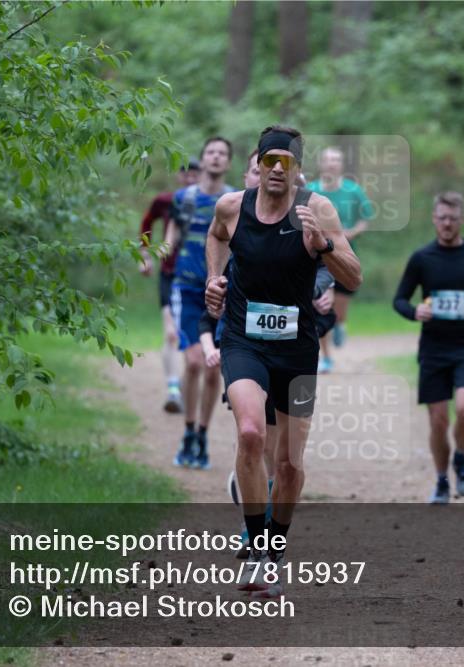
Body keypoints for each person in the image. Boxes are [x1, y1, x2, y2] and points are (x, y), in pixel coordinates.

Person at [205, 125, 361, 594]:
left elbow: (353, 276)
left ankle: (274, 549)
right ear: (258, 163)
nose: (276, 169)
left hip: (296, 347)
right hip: (242, 340)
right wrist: (214, 279)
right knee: (251, 433)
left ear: (297, 168)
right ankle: (254, 552)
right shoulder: (232, 206)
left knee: (290, 463)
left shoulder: (317, 209)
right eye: (268, 160)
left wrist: (323, 247)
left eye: (286, 162)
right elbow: (216, 236)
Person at [393, 191, 464, 505]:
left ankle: (460, 456)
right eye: (442, 218)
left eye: (452, 219)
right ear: (434, 219)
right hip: (433, 348)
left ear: (462, 221)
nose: (447, 224)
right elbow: (399, 300)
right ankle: (443, 480)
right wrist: (414, 311)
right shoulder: (421, 258)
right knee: (438, 420)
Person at [169, 138, 235, 469]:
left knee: (213, 370)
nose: (216, 157)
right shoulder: (183, 199)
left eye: (222, 153)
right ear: (203, 159)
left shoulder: (236, 201)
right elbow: (170, 242)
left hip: (223, 292)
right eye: (211, 152)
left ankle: (203, 435)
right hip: (187, 290)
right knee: (194, 362)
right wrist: (149, 259)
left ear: (228, 162)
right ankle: (188, 431)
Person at [139, 161, 200, 413]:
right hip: (170, 274)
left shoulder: (212, 202)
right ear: (178, 176)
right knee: (171, 333)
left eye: (194, 175)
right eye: (185, 174)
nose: (189, 179)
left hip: (198, 278)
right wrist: (145, 256)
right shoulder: (165, 201)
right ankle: (173, 389)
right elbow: (146, 224)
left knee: (193, 339)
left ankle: (188, 387)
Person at [308, 146, 374, 373]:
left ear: (341, 165)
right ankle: (325, 357)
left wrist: (350, 234)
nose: (332, 164)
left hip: (343, 256)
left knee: (338, 309)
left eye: (336, 160)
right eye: (328, 159)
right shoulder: (310, 190)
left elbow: (366, 218)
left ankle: (340, 324)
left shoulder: (353, 190)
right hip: (316, 258)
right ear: (321, 164)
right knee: (321, 306)